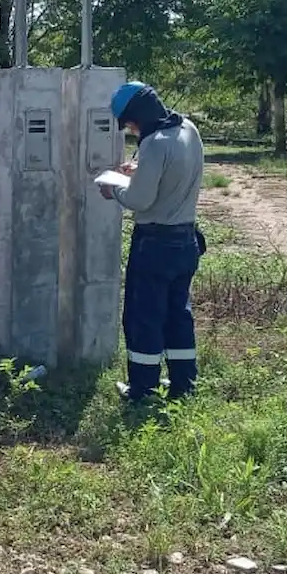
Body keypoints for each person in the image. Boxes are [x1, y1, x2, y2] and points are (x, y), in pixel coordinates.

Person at [100, 82, 205, 402]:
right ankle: (183, 385)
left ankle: (143, 389)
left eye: (129, 123)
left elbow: (141, 200)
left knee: (144, 316)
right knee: (178, 314)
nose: (130, 130)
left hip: (155, 243)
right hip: (186, 238)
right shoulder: (187, 129)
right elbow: (173, 175)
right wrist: (140, 170)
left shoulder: (155, 144)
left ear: (138, 116)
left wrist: (113, 189)